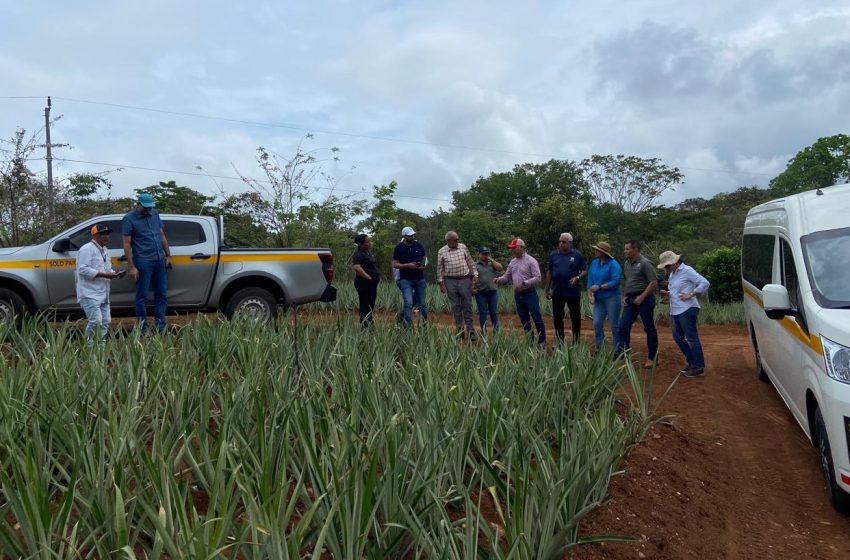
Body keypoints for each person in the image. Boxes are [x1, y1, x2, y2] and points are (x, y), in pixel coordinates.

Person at [122, 193, 172, 333]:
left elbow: (161, 235)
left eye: (150, 207)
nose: (148, 210)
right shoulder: (128, 219)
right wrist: (131, 266)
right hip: (143, 261)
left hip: (159, 260)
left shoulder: (154, 214)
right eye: (146, 208)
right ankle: (143, 327)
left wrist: (168, 255)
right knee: (142, 295)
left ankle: (161, 325)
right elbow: (126, 243)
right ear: (138, 204)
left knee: (161, 294)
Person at [658, 250, 710, 377]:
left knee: (691, 337)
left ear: (675, 262)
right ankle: (692, 362)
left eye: (667, 265)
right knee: (678, 337)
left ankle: (698, 366)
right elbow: (676, 290)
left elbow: (704, 282)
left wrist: (691, 294)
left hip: (687, 308)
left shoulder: (687, 270)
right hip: (676, 309)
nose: (666, 268)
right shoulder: (673, 274)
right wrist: (668, 294)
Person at [75, 224, 124, 347]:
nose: (106, 236)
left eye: (107, 234)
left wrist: (115, 274)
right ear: (95, 235)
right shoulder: (86, 249)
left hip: (103, 293)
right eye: (103, 234)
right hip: (89, 292)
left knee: (105, 322)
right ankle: (88, 347)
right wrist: (106, 275)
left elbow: (107, 269)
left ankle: (100, 349)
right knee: (96, 321)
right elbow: (83, 270)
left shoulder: (105, 250)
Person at [616, 240, 659, 368]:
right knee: (623, 326)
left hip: (644, 298)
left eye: (627, 249)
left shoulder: (645, 263)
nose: (625, 251)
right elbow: (628, 281)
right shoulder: (627, 263)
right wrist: (625, 295)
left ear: (635, 249)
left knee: (648, 327)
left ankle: (653, 357)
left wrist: (641, 297)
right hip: (631, 299)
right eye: (625, 249)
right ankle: (624, 355)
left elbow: (653, 282)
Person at [495, 238, 546, 345]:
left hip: (529, 293)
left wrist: (524, 284)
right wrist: (499, 280)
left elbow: (538, 277)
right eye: (511, 248)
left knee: (536, 317)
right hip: (518, 295)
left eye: (514, 248)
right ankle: (530, 341)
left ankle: (542, 342)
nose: (512, 250)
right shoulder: (512, 262)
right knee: (524, 319)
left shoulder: (531, 261)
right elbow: (507, 277)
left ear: (521, 248)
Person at [545, 232, 587, 344]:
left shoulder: (577, 255)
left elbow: (584, 270)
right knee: (557, 318)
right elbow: (549, 272)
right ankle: (560, 341)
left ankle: (576, 341)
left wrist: (577, 277)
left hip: (572, 292)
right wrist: (547, 289)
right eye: (560, 241)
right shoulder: (554, 255)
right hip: (557, 291)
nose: (561, 244)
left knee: (575, 317)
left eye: (564, 242)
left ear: (570, 243)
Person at [437, 231, 478, 340]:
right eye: (455, 240)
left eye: (458, 239)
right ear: (448, 241)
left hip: (464, 279)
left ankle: (471, 331)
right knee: (456, 307)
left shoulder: (463, 247)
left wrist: (475, 275)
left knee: (467, 306)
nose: (457, 241)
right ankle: (460, 331)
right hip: (450, 281)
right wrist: (441, 283)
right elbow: (440, 268)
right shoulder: (442, 251)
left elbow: (470, 262)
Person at [586, 241, 622, 352]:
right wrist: (590, 295)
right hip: (599, 299)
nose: (595, 251)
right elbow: (590, 280)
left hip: (612, 297)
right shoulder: (594, 263)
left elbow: (616, 281)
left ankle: (618, 349)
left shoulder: (613, 264)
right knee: (597, 322)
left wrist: (600, 287)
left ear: (603, 252)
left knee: (613, 324)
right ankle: (600, 347)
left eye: (597, 250)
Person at [392, 226, 428, 327]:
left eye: (412, 235)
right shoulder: (398, 248)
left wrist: (423, 266)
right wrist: (407, 265)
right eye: (409, 236)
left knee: (422, 304)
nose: (412, 237)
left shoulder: (418, 245)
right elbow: (395, 264)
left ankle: (424, 325)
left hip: (419, 278)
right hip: (405, 279)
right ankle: (408, 326)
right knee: (408, 303)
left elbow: (425, 258)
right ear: (404, 236)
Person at [352, 233, 380, 328]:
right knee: (365, 305)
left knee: (370, 305)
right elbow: (357, 267)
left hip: (371, 284)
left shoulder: (368, 253)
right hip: (364, 284)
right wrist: (369, 278)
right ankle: (366, 326)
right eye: (367, 242)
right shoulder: (358, 254)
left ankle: (369, 323)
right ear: (361, 244)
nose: (370, 243)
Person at [474, 246, 502, 334]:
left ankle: (496, 332)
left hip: (492, 292)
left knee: (494, 312)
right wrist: (472, 288)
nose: (486, 256)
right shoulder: (475, 265)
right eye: (484, 254)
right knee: (483, 313)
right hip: (480, 293)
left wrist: (492, 260)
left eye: (487, 254)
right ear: (479, 254)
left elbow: (500, 268)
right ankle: (484, 332)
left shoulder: (492, 264)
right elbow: (472, 278)